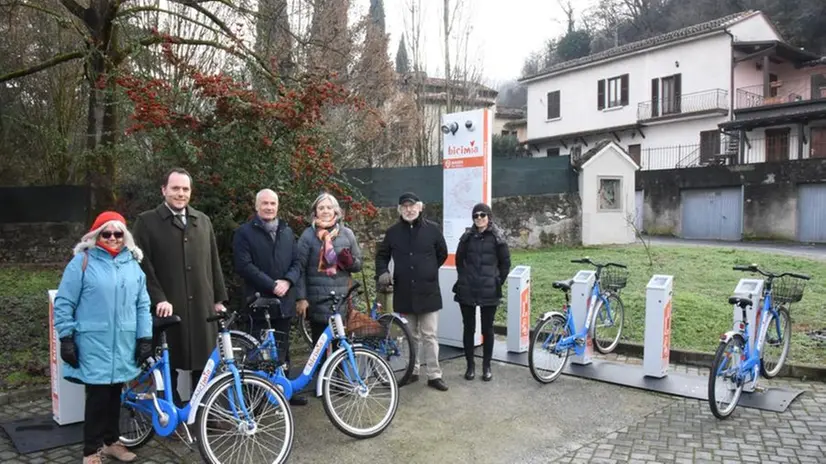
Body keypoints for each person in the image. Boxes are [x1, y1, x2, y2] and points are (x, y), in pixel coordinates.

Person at [53, 211, 153, 464]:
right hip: (93, 342)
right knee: (97, 396)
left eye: (118, 233)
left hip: (123, 342)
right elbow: (64, 302)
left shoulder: (133, 264)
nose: (112, 238)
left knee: (114, 395)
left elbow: (143, 304)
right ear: (96, 235)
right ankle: (90, 450)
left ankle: (111, 442)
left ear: (125, 236)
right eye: (106, 233)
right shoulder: (82, 262)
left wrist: (144, 338)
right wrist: (66, 337)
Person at [132, 167, 228, 406]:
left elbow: (213, 261)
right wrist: (158, 298)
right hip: (168, 306)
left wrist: (218, 298)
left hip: (201, 307)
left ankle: (204, 411)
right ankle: (170, 413)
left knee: (204, 362)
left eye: (185, 189)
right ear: (164, 190)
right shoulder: (146, 222)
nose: (181, 193)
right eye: (175, 188)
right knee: (168, 362)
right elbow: (142, 266)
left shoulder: (202, 221)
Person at [232, 188, 307, 405]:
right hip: (258, 302)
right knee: (257, 349)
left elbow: (297, 262)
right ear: (256, 207)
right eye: (264, 203)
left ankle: (284, 390)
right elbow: (244, 266)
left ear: (278, 206)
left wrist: (288, 281)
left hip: (284, 300)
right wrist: (271, 285)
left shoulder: (286, 231)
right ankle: (255, 397)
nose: (269, 207)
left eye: (273, 204)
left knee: (282, 348)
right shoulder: (244, 233)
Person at [375, 192, 449, 391]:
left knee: (430, 335)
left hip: (428, 291)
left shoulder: (433, 230)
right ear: (400, 209)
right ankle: (412, 371)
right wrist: (382, 272)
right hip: (405, 291)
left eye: (412, 206)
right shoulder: (392, 232)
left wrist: (429, 269)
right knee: (410, 336)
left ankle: (434, 375)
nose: (409, 209)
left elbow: (442, 253)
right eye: (404, 206)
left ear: (420, 207)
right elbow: (381, 256)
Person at [453, 203, 512, 382]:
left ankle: (486, 366)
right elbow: (459, 260)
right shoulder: (467, 237)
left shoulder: (497, 237)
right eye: (475, 216)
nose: (479, 218)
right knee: (468, 328)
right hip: (468, 289)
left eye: (482, 215)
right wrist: (464, 278)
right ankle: (470, 366)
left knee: (488, 328)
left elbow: (505, 263)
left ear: (489, 217)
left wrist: (496, 281)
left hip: (489, 290)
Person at [295, 192, 363, 346]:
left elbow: (358, 266)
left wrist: (350, 261)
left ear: (336, 211)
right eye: (321, 208)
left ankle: (338, 371)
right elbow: (299, 268)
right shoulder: (308, 236)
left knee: (341, 349)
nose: (325, 211)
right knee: (320, 348)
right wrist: (301, 298)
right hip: (317, 301)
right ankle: (322, 371)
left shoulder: (347, 234)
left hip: (341, 300)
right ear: (315, 212)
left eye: (329, 207)